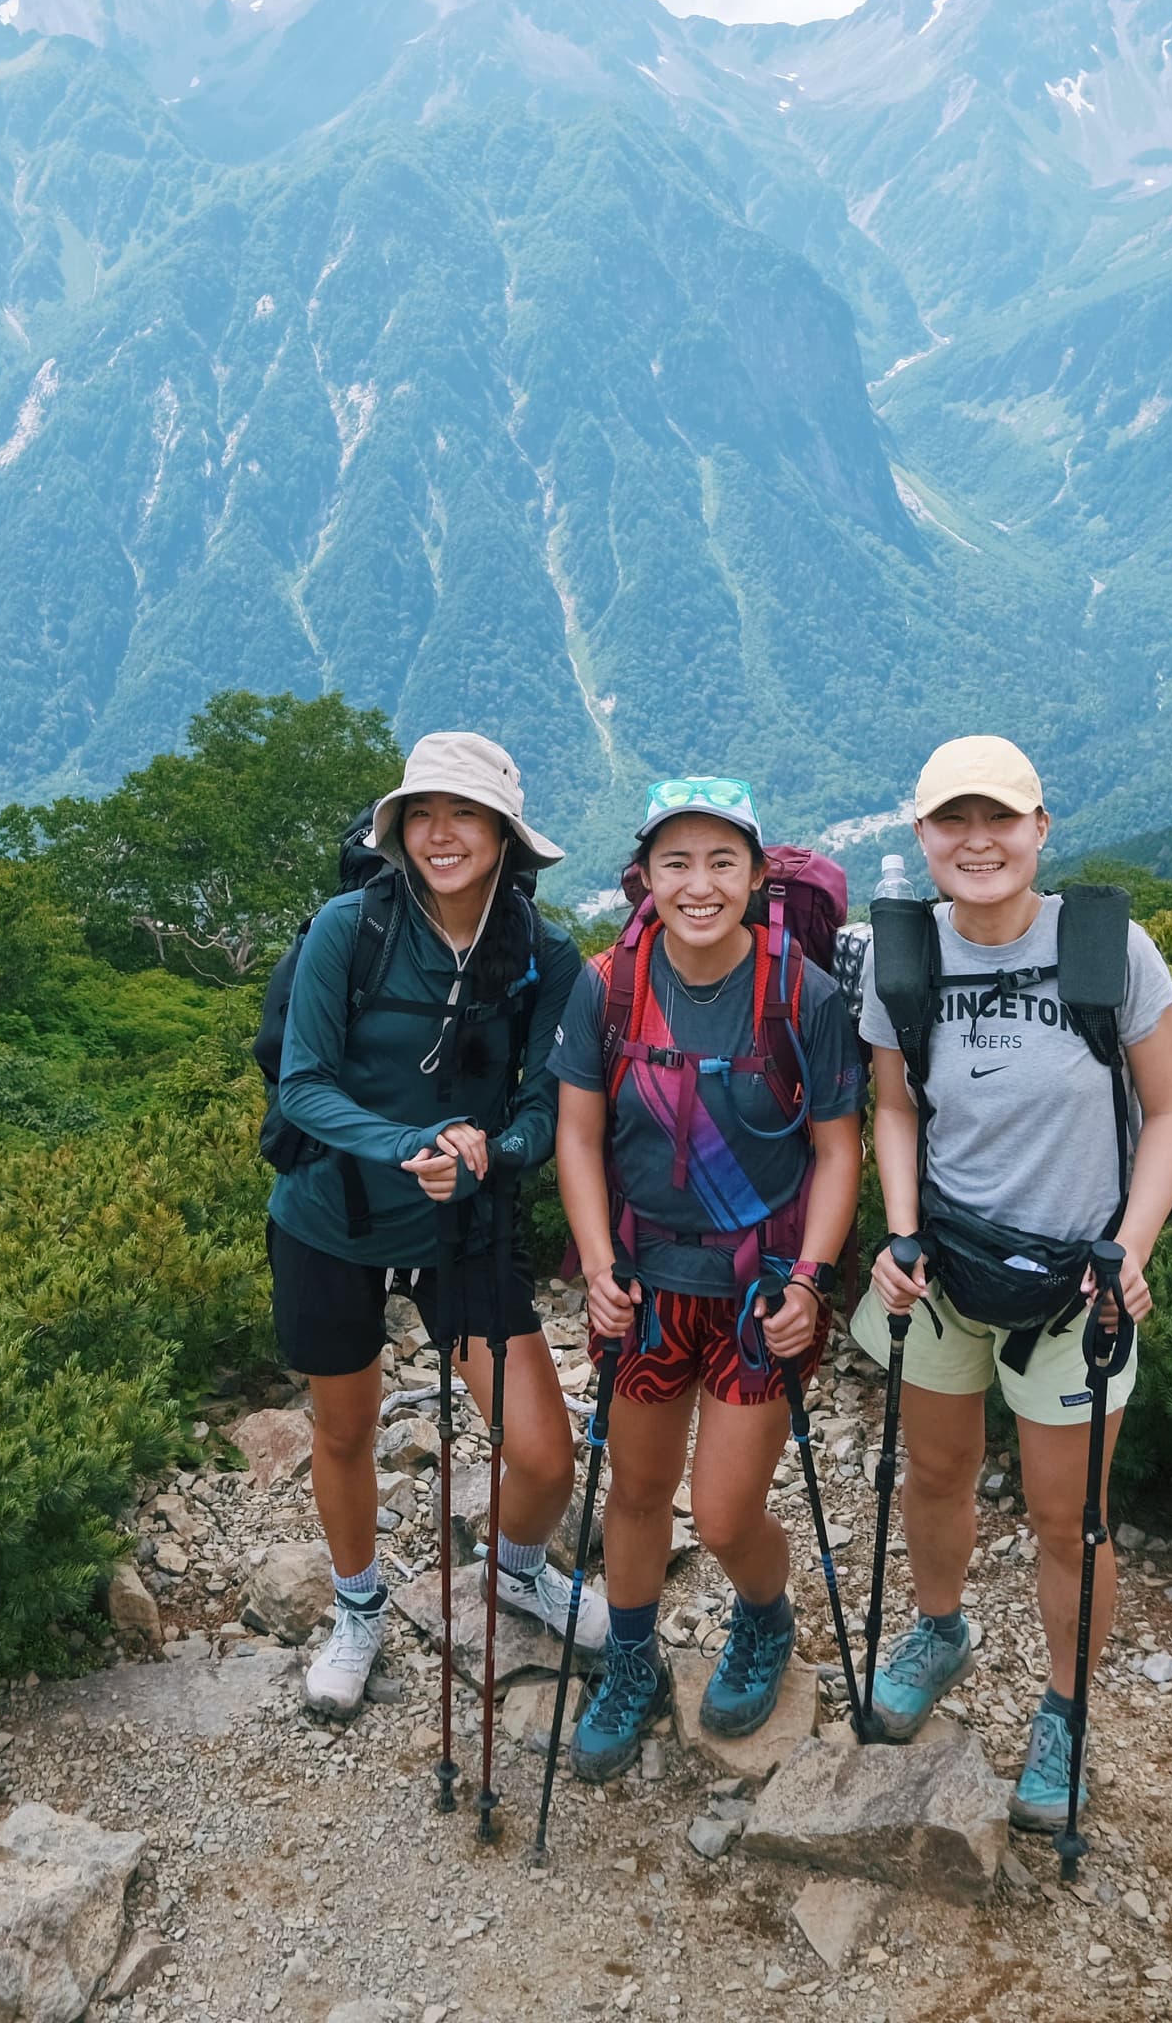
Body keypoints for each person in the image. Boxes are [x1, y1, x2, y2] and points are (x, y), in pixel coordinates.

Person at [851, 734, 1172, 1832]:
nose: (978, 840)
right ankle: (940, 1626)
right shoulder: (901, 960)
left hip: (1078, 1282)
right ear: (923, 837)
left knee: (1067, 1519)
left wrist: (1129, 1251)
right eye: (953, 821)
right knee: (936, 1474)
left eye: (999, 818)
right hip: (944, 1263)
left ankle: (1065, 1707)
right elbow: (895, 1105)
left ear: (1041, 829)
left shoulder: (1110, 948)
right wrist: (899, 1231)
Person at [268, 729, 608, 1722]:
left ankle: (515, 1569)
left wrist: (488, 1156)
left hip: (461, 1221)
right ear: (399, 826)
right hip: (329, 1214)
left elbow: (549, 1104)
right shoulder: (349, 928)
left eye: (466, 814)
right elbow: (300, 1086)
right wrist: (414, 1137)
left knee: (543, 1451)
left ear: (506, 835)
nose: (441, 833)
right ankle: (359, 1609)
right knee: (344, 1428)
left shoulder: (543, 957)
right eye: (424, 813)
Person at [549, 777, 864, 1780]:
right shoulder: (609, 984)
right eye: (676, 861)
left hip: (762, 1291)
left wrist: (811, 1280)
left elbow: (839, 1148)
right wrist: (596, 1266)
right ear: (644, 873)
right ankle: (632, 1660)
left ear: (759, 874)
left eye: (722, 861)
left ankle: (765, 1619)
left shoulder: (800, 995)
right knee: (636, 1494)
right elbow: (577, 1131)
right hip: (644, 1283)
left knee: (723, 1513)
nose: (698, 883)